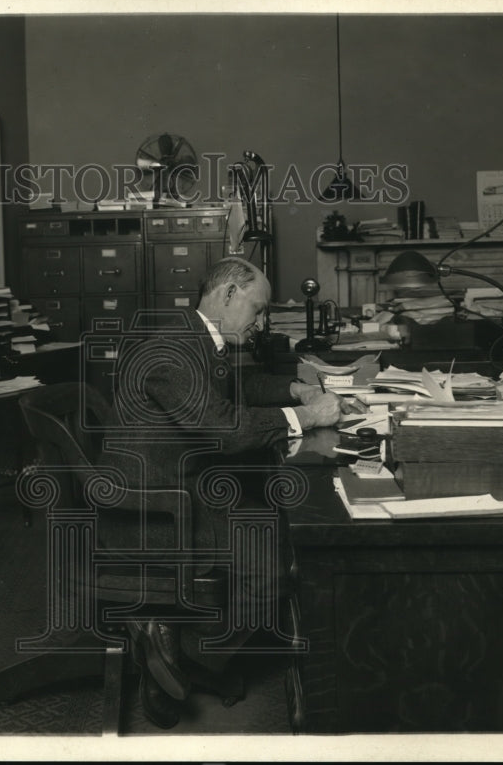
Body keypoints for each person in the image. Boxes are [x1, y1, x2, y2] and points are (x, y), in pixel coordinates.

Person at [97, 257, 358, 728]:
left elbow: (236, 387)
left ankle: (172, 645)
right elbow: (222, 428)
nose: (259, 324)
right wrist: (309, 417)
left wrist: (296, 390)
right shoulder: (171, 352)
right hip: (152, 505)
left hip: (177, 483)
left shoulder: (196, 336)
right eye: (256, 311)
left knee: (273, 529)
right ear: (228, 295)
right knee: (271, 561)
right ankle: (177, 654)